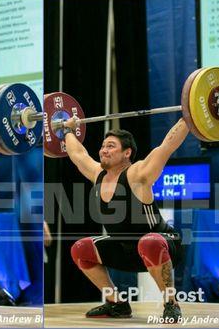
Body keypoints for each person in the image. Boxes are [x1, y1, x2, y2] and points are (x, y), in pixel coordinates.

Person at [64, 117, 188, 320]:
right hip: (127, 249)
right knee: (81, 249)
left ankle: (171, 303)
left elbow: (167, 146)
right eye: (103, 146)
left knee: (149, 242)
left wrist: (188, 118)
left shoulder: (137, 174)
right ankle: (117, 303)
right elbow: (78, 154)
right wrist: (67, 130)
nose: (104, 150)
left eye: (111, 146)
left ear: (127, 153)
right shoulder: (98, 174)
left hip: (163, 244)